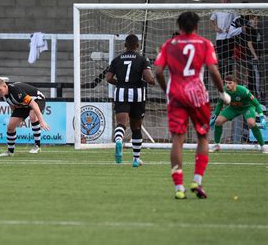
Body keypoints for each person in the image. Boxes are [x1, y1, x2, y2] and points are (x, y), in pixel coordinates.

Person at [154, 11, 230, 199]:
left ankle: (179, 188)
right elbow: (213, 70)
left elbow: (157, 71)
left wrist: (166, 90)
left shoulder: (168, 45)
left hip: (176, 97)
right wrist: (222, 92)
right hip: (198, 96)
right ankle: (197, 180)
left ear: (179, 27)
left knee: (177, 141)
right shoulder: (205, 43)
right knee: (202, 137)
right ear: (196, 26)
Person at [105, 34, 155, 167]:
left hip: (121, 93)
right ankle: (135, 159)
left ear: (125, 45)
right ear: (137, 46)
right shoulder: (142, 59)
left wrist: (120, 83)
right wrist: (152, 80)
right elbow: (149, 79)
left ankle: (119, 140)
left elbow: (108, 78)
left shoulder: (117, 60)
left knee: (121, 123)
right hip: (138, 95)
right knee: (136, 127)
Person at [209, 75, 266, 153]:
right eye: (226, 83)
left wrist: (261, 116)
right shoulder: (223, 91)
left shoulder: (243, 91)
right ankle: (216, 145)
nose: (227, 85)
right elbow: (219, 104)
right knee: (218, 121)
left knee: (251, 123)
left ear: (235, 83)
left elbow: (256, 104)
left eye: (230, 83)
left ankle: (263, 146)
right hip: (233, 108)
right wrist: (214, 116)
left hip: (247, 108)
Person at [0, 79, 50, 156]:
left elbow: (33, 104)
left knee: (32, 116)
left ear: (5, 86)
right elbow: (12, 105)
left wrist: (41, 121)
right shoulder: (4, 96)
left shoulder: (16, 91)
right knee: (10, 127)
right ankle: (10, 151)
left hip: (37, 99)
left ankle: (37, 146)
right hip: (23, 105)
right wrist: (19, 119)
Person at [209, 0, 237, 76]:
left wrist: (231, 27)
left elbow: (237, 20)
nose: (224, 1)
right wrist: (215, 27)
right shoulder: (217, 9)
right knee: (221, 59)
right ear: (220, 0)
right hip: (220, 38)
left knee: (229, 59)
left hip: (229, 37)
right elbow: (211, 20)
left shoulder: (232, 9)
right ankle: (220, 79)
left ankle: (229, 79)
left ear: (229, 0)